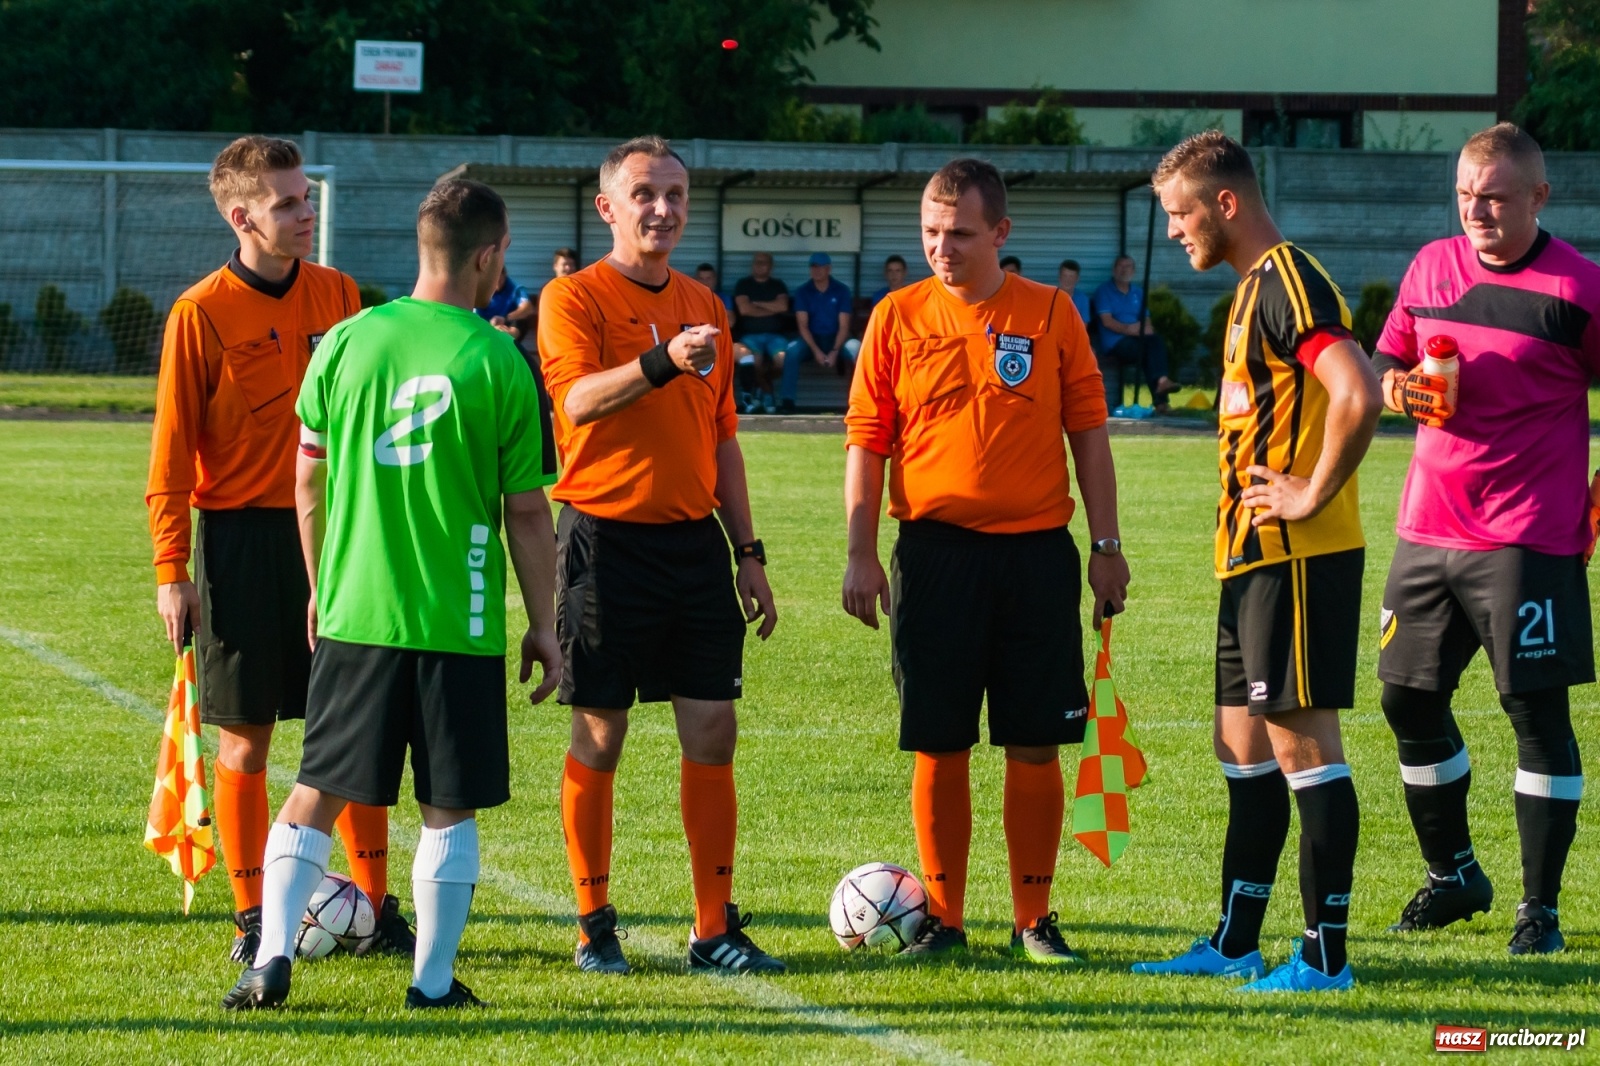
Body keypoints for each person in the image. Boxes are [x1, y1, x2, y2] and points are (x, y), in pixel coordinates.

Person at [221, 179, 561, 1011]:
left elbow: (306, 477)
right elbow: (525, 510)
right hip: (459, 619)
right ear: (488, 256)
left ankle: (270, 960)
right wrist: (545, 627)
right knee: (449, 803)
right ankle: (433, 984)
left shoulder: (343, 343)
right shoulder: (498, 361)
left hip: (356, 610)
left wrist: (321, 581)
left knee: (316, 787)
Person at [842, 158, 1129, 964]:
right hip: (934, 556)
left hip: (1038, 556)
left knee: (1036, 741)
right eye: (932, 232)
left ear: (1001, 233)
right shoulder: (896, 318)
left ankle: (1033, 920)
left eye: (960, 233)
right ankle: (944, 917)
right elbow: (867, 442)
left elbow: (1090, 437)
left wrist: (1106, 547)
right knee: (940, 740)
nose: (943, 247)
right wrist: (861, 555)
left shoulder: (1050, 313)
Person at [146, 135, 411, 966]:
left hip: (339, 538)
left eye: (308, 198)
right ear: (243, 216)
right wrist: (171, 572)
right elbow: (169, 454)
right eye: (290, 203)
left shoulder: (339, 294)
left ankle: (374, 904)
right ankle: (255, 914)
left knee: (356, 734)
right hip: (242, 548)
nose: (307, 212)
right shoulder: (200, 312)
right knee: (247, 742)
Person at [1133, 131, 1380, 992]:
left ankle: (1325, 956)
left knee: (1301, 744)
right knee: (1240, 744)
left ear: (1225, 203)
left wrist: (1310, 491)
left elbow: (1359, 389)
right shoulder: (1247, 292)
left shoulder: (1289, 282)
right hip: (1247, 560)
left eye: (1179, 213)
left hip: (1295, 557)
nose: (1173, 232)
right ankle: (1237, 941)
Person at [537, 135, 784, 976]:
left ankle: (713, 928)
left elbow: (723, 443)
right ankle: (591, 921)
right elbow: (576, 401)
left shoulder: (705, 304)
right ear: (608, 206)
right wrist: (660, 360)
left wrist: (747, 552)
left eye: (675, 195)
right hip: (603, 540)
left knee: (713, 730)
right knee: (601, 732)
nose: (662, 210)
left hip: (693, 547)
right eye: (644, 194)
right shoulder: (572, 298)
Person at [1371, 124, 1597, 957]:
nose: (1478, 210)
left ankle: (1540, 911)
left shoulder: (1580, 288)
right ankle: (1453, 873)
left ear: (1539, 197)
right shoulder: (1431, 266)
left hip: (1528, 536)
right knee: (1405, 700)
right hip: (1427, 528)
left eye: (1496, 196)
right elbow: (1382, 360)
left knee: (1534, 712)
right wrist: (1398, 388)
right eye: (1466, 194)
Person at [1093, 255, 1178, 411]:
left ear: (1134, 270)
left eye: (1128, 266)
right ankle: (1161, 400)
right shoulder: (1104, 291)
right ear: (1114, 270)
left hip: (1137, 340)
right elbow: (1107, 322)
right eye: (1121, 266)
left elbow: (1147, 321)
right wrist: (1131, 329)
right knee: (1148, 349)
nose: (1124, 270)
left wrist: (1143, 329)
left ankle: (1162, 383)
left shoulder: (1138, 292)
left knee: (1154, 342)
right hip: (1116, 343)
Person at [782, 252, 861, 412]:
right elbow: (802, 326)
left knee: (857, 349)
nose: (816, 270)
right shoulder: (803, 291)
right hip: (812, 339)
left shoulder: (841, 290)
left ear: (829, 269)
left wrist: (834, 351)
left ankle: (858, 402)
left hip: (837, 339)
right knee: (791, 351)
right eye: (813, 266)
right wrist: (816, 351)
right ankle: (787, 402)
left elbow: (844, 326)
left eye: (820, 267)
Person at [733, 252, 791, 414]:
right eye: (756, 262)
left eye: (763, 263)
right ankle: (768, 393)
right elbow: (744, 309)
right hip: (750, 336)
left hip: (775, 336)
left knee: (783, 360)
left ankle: (761, 386)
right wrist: (770, 308)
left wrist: (757, 304)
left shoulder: (778, 285)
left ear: (771, 267)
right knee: (755, 361)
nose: (759, 265)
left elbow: (783, 307)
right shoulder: (743, 284)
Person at [478, 265, 535, 346]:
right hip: (486, 328)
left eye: (500, 279)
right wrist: (492, 327)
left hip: (507, 328)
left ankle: (509, 338)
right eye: (494, 279)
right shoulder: (480, 289)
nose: (497, 282)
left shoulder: (513, 287)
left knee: (521, 318)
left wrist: (505, 318)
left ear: (505, 275)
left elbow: (527, 308)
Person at [1058, 259, 1091, 328]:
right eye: (1065, 276)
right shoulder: (1050, 297)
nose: (1067, 280)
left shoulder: (1083, 299)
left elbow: (1083, 326)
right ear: (1059, 277)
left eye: (1071, 277)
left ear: (1077, 279)